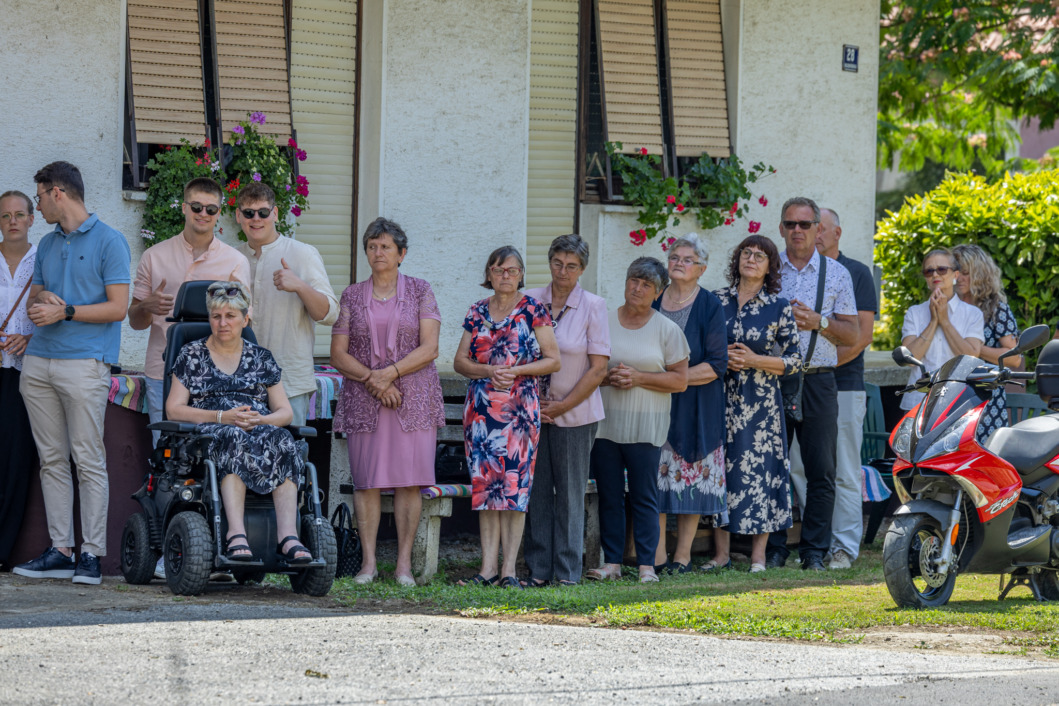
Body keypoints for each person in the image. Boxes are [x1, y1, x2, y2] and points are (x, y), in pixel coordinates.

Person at [13, 162, 131, 585]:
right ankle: (61, 550)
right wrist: (43, 299)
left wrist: (66, 311)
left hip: (85, 363)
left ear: (58, 193)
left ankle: (92, 554)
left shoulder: (110, 241)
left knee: (88, 459)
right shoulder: (46, 244)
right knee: (51, 460)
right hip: (38, 363)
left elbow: (118, 308)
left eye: (40, 197)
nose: (38, 206)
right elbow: (34, 300)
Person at [330, 218, 444, 586]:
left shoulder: (421, 290)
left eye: (386, 247)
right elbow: (338, 353)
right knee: (367, 482)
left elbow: (430, 347)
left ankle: (403, 566)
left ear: (401, 254)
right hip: (365, 400)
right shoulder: (351, 295)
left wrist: (389, 373)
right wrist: (374, 381)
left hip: (414, 400)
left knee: (410, 482)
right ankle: (367, 565)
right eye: (372, 246)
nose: (378, 252)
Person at [166, 282, 312, 564]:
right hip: (209, 431)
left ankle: (288, 537)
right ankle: (236, 534)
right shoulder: (191, 354)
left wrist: (261, 419)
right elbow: (174, 409)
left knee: (283, 438)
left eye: (230, 316)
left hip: (256, 425)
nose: (223, 323)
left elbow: (284, 412)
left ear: (245, 319)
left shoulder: (261, 357)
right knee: (232, 436)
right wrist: (223, 417)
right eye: (216, 316)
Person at [454, 246, 560, 589]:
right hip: (481, 412)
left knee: (514, 489)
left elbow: (553, 359)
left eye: (512, 270)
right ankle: (487, 569)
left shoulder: (533, 309)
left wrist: (515, 371)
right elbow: (460, 361)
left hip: (519, 413)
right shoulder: (476, 310)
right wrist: (488, 370)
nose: (505, 276)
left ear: (521, 274)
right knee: (487, 489)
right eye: (499, 270)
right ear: (489, 273)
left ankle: (509, 570)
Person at [766, 197, 858, 572]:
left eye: (805, 224)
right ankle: (773, 549)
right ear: (781, 228)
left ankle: (814, 551)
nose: (797, 231)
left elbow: (852, 334)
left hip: (819, 380)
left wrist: (820, 322)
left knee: (821, 469)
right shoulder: (768, 269)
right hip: (774, 379)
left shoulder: (836, 273)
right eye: (790, 224)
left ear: (818, 229)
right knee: (773, 467)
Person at [587, 257, 689, 584]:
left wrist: (639, 377)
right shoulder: (602, 321)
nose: (638, 288)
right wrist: (608, 378)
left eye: (646, 285)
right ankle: (612, 563)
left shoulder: (667, 330)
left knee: (644, 496)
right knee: (610, 494)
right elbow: (588, 370)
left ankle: (647, 566)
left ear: (658, 292)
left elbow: (680, 381)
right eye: (634, 280)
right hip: (606, 424)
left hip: (646, 426)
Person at [129, 177, 251, 442]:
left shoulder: (235, 261)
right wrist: (146, 306)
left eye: (211, 208)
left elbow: (244, 322)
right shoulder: (154, 256)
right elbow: (135, 322)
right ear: (184, 208)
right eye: (196, 207)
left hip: (218, 374)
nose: (203, 213)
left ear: (219, 213)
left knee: (217, 448)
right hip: (163, 370)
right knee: (165, 448)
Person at [522, 234, 610, 587]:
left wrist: (562, 406)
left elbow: (598, 368)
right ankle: (538, 570)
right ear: (549, 262)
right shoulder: (530, 300)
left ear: (582, 269)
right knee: (537, 492)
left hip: (575, 414)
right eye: (557, 263)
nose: (563, 271)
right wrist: (534, 405)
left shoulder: (593, 306)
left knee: (571, 494)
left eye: (571, 266)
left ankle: (568, 572)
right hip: (533, 413)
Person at [709, 236, 800, 572]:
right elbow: (699, 346)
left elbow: (794, 361)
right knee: (720, 469)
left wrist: (754, 360)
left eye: (760, 256)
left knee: (762, 472)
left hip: (761, 403)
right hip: (718, 396)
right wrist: (721, 357)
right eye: (746, 253)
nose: (751, 259)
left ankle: (758, 556)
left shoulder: (779, 306)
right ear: (737, 259)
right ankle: (721, 554)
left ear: (770, 267)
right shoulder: (715, 300)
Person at [649, 234, 727, 575]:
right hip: (653, 402)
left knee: (690, 476)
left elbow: (716, 365)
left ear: (702, 269)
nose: (679, 263)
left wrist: (672, 378)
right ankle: (656, 556)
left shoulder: (710, 305)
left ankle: (682, 556)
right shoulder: (654, 298)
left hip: (696, 404)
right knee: (655, 476)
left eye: (687, 259)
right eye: (674, 257)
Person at [237, 182, 338, 425]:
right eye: (249, 213)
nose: (256, 219)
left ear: (275, 213)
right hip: (239, 381)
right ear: (238, 216)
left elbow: (330, 314)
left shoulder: (302, 253)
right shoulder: (233, 257)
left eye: (263, 212)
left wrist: (300, 286)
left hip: (288, 382)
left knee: (287, 448)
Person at [814, 208, 877, 570]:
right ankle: (817, 543)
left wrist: (821, 365)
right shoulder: (798, 273)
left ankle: (843, 548)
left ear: (837, 233)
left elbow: (862, 336)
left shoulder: (857, 272)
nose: (814, 234)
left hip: (843, 385)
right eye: (811, 227)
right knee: (802, 467)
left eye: (821, 228)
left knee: (845, 469)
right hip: (802, 385)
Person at [0, 190, 38, 569]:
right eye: (5, 215)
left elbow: (53, 311)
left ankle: (3, 550)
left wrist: (29, 338)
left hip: (25, 373)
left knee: (16, 461)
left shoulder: (43, 260)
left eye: (19, 214)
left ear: (31, 219)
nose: (12, 221)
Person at [900, 248, 984, 413]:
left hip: (957, 402)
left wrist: (945, 321)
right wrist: (933, 321)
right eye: (929, 271)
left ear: (955, 275)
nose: (935, 275)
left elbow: (971, 356)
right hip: (917, 401)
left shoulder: (972, 314)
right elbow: (909, 359)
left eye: (942, 269)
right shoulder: (914, 312)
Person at [952, 243, 1019, 441]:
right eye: (956, 272)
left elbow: (1014, 358)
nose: (959, 278)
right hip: (950, 394)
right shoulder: (946, 307)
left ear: (980, 274)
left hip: (985, 400)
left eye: (966, 273)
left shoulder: (996, 308)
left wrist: (974, 349)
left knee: (982, 456)